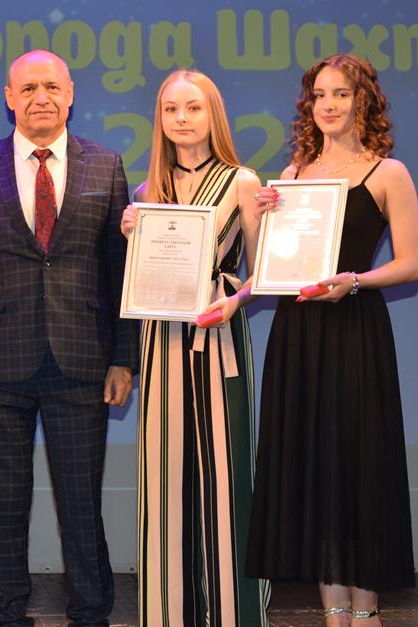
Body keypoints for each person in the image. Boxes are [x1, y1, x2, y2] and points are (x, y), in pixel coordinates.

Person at [0, 49, 140, 627]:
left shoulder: (106, 165)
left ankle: (91, 614)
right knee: (3, 506)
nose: (40, 97)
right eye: (27, 89)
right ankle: (7, 615)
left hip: (83, 361)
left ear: (70, 94)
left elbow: (120, 270)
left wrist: (124, 358)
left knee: (82, 505)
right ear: (9, 98)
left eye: (51, 86)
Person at [245, 53, 418, 626]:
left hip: (354, 329)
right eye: (319, 95)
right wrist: (262, 218)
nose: (328, 105)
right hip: (299, 334)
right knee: (315, 465)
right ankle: (334, 611)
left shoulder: (387, 173)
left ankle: (366, 614)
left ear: (362, 100)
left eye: (341, 94)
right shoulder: (293, 175)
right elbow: (269, 267)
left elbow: (410, 264)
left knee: (357, 465)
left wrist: (355, 281)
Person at [120, 69, 275, 627]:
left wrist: (236, 301)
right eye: (170, 109)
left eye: (193, 108)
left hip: (220, 337)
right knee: (165, 480)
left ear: (214, 114)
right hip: (161, 342)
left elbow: (264, 271)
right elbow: (139, 279)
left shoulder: (242, 182)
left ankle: (236, 614)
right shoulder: (147, 193)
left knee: (227, 480)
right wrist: (132, 234)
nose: (181, 118)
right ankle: (168, 615)